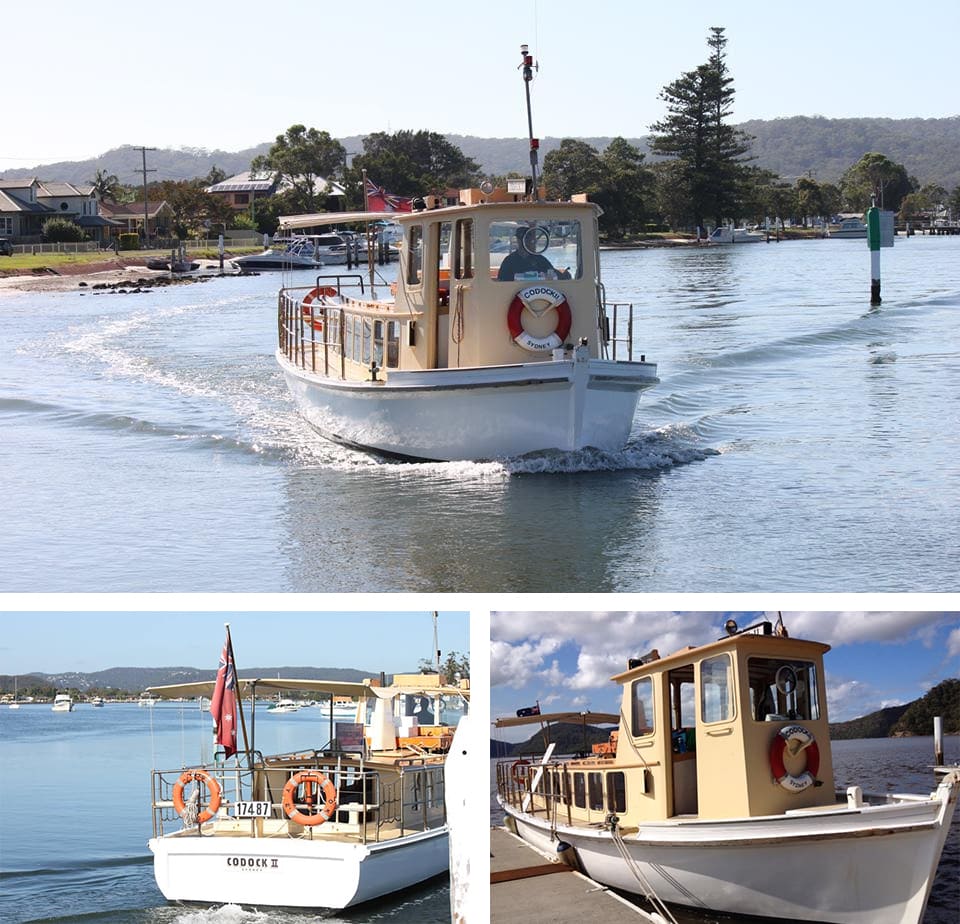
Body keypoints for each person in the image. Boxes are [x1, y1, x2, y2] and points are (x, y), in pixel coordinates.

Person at [497, 226, 570, 281]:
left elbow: (552, 272)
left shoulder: (540, 259)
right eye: (520, 238)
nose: (523, 241)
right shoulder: (509, 261)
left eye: (526, 238)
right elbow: (501, 281)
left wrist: (564, 276)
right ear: (517, 240)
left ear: (530, 239)